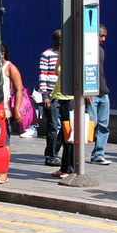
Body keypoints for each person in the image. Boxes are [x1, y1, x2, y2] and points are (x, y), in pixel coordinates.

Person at [0, 41, 24, 184]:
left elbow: (19, 89)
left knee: (5, 140)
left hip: (5, 111)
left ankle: (4, 172)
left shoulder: (10, 68)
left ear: (2, 54)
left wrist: (17, 110)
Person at [88, 24, 111, 165]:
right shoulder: (87, 51)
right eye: (100, 35)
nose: (103, 39)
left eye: (104, 36)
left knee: (103, 125)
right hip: (92, 94)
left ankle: (98, 154)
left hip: (103, 93)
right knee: (91, 123)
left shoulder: (101, 51)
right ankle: (73, 153)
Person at [39, 30, 62, 166]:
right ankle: (51, 155)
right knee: (53, 126)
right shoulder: (46, 55)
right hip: (51, 96)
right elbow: (42, 76)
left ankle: (56, 149)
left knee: (66, 126)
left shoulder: (67, 54)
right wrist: (45, 96)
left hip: (64, 95)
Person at [50, 54, 74, 179]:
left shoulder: (76, 57)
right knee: (64, 135)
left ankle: (70, 168)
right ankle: (64, 167)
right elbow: (56, 72)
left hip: (70, 100)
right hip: (60, 98)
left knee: (70, 135)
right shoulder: (63, 56)